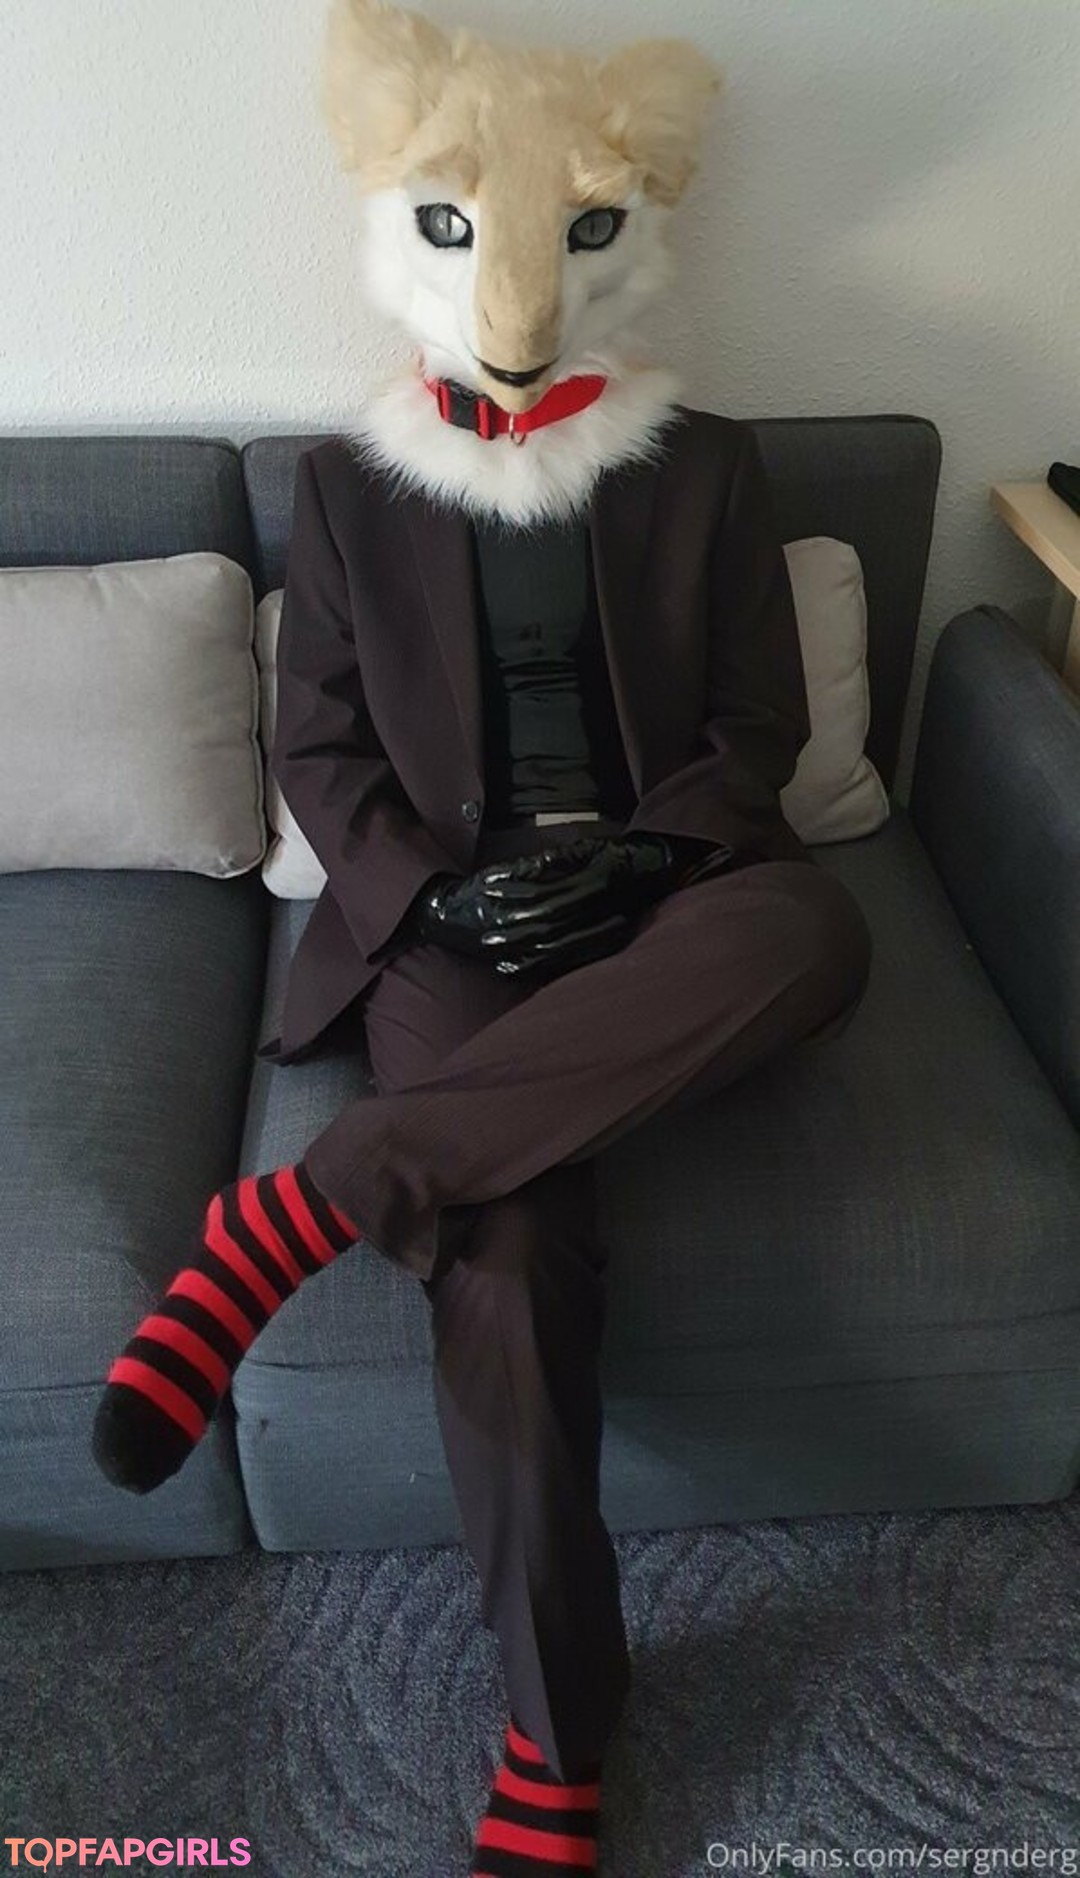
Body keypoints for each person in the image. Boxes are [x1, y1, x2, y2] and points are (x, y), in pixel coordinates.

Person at [92, 4, 873, 1871]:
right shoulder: (346, 482)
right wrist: (432, 897)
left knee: (817, 927)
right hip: (448, 910)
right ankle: (552, 1738)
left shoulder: (709, 463)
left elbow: (757, 725)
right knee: (505, 1263)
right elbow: (319, 745)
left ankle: (304, 1207)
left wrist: (646, 857)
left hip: (666, 895)